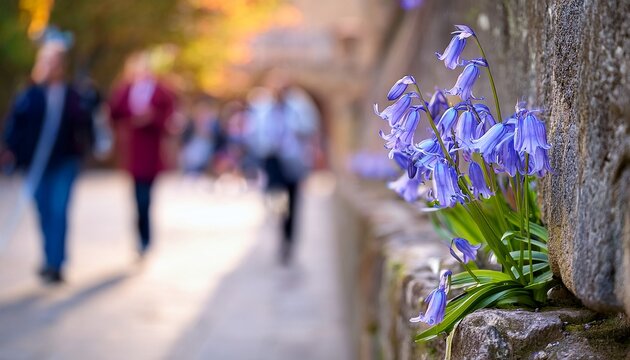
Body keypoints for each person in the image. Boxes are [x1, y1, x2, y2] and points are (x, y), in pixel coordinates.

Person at [1, 33, 92, 284]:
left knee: (59, 210)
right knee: (42, 210)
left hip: (64, 162)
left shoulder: (72, 95)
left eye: (55, 62)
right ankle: (48, 257)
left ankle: (55, 263)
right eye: (46, 61)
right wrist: (11, 153)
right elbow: (15, 127)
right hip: (36, 165)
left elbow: (85, 125)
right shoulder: (30, 95)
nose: (50, 67)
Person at [246, 74, 320, 265]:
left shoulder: (299, 106)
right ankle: (279, 224)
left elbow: (310, 127)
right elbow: (253, 131)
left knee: (293, 200)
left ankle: (288, 239)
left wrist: (296, 128)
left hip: (293, 159)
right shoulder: (262, 107)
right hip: (272, 158)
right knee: (275, 195)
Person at [109, 52, 175, 256]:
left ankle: (146, 237)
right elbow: (114, 112)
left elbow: (169, 117)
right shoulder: (126, 89)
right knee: (138, 196)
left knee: (147, 197)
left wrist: (152, 118)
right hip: (133, 151)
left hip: (152, 150)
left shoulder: (160, 91)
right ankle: (141, 236)